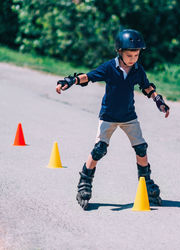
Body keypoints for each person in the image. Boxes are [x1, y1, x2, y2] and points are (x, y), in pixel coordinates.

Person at [56, 29, 170, 210]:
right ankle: (85, 181)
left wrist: (158, 100)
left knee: (141, 148)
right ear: (119, 52)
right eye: (129, 55)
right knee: (99, 149)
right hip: (108, 116)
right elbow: (90, 76)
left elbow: (146, 86)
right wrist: (70, 81)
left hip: (128, 116)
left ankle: (146, 183)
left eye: (136, 54)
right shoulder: (110, 67)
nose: (133, 58)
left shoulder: (137, 69)